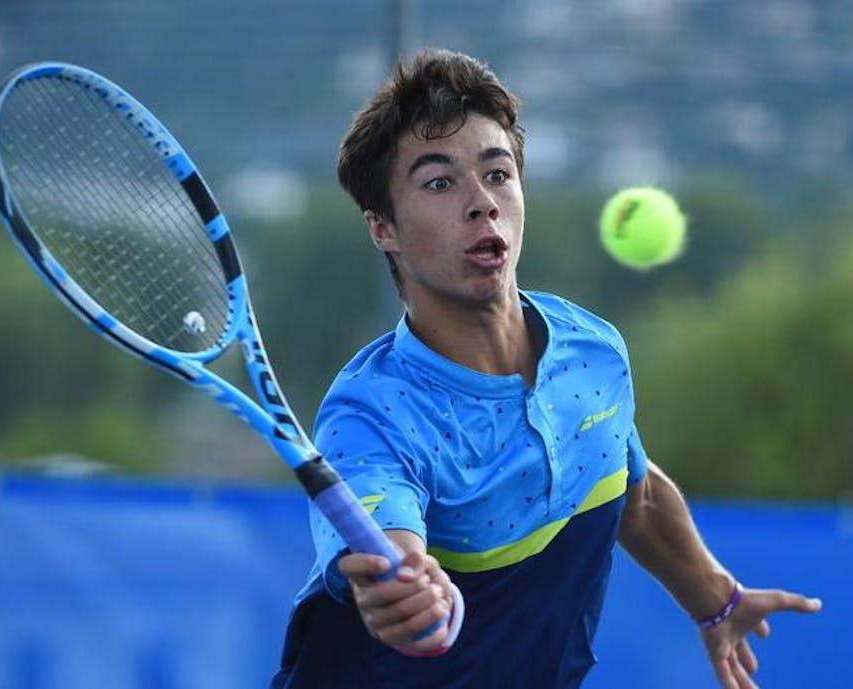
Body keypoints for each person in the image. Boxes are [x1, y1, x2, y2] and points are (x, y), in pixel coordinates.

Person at [271, 48, 821, 689]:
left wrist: (717, 600)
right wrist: (402, 586)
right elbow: (387, 553)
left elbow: (632, 494)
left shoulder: (593, 350)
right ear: (382, 228)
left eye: (498, 174)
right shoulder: (369, 414)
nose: (482, 203)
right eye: (439, 183)